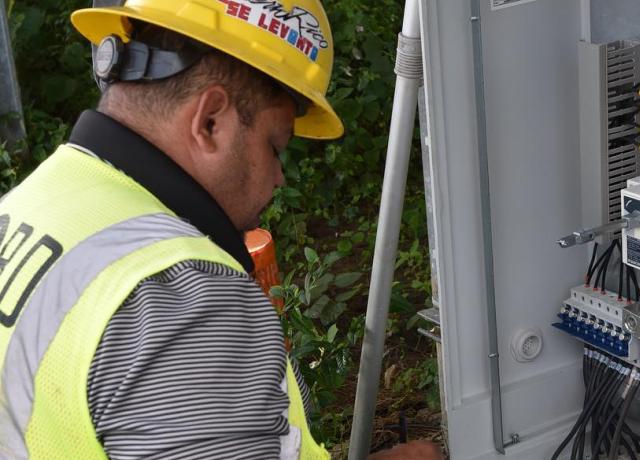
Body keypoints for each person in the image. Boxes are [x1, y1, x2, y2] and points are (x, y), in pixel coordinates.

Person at [0, 1, 442, 459]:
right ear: (210, 121)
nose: (278, 178)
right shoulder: (185, 302)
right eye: (275, 146)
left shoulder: (31, 206)